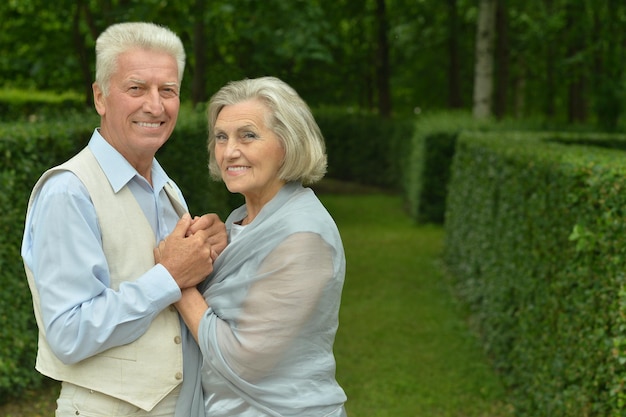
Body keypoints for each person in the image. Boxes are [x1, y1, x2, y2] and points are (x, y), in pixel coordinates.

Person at [21, 22, 226, 417]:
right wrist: (168, 276)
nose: (155, 105)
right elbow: (69, 333)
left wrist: (210, 250)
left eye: (168, 90)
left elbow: (177, 298)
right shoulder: (69, 191)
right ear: (100, 97)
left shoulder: (166, 188)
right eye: (136, 88)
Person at [159, 76, 348, 416]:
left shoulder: (304, 237)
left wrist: (177, 281)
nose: (229, 151)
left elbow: (243, 359)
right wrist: (218, 244)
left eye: (248, 135)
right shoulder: (244, 218)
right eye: (221, 137)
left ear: (287, 144)